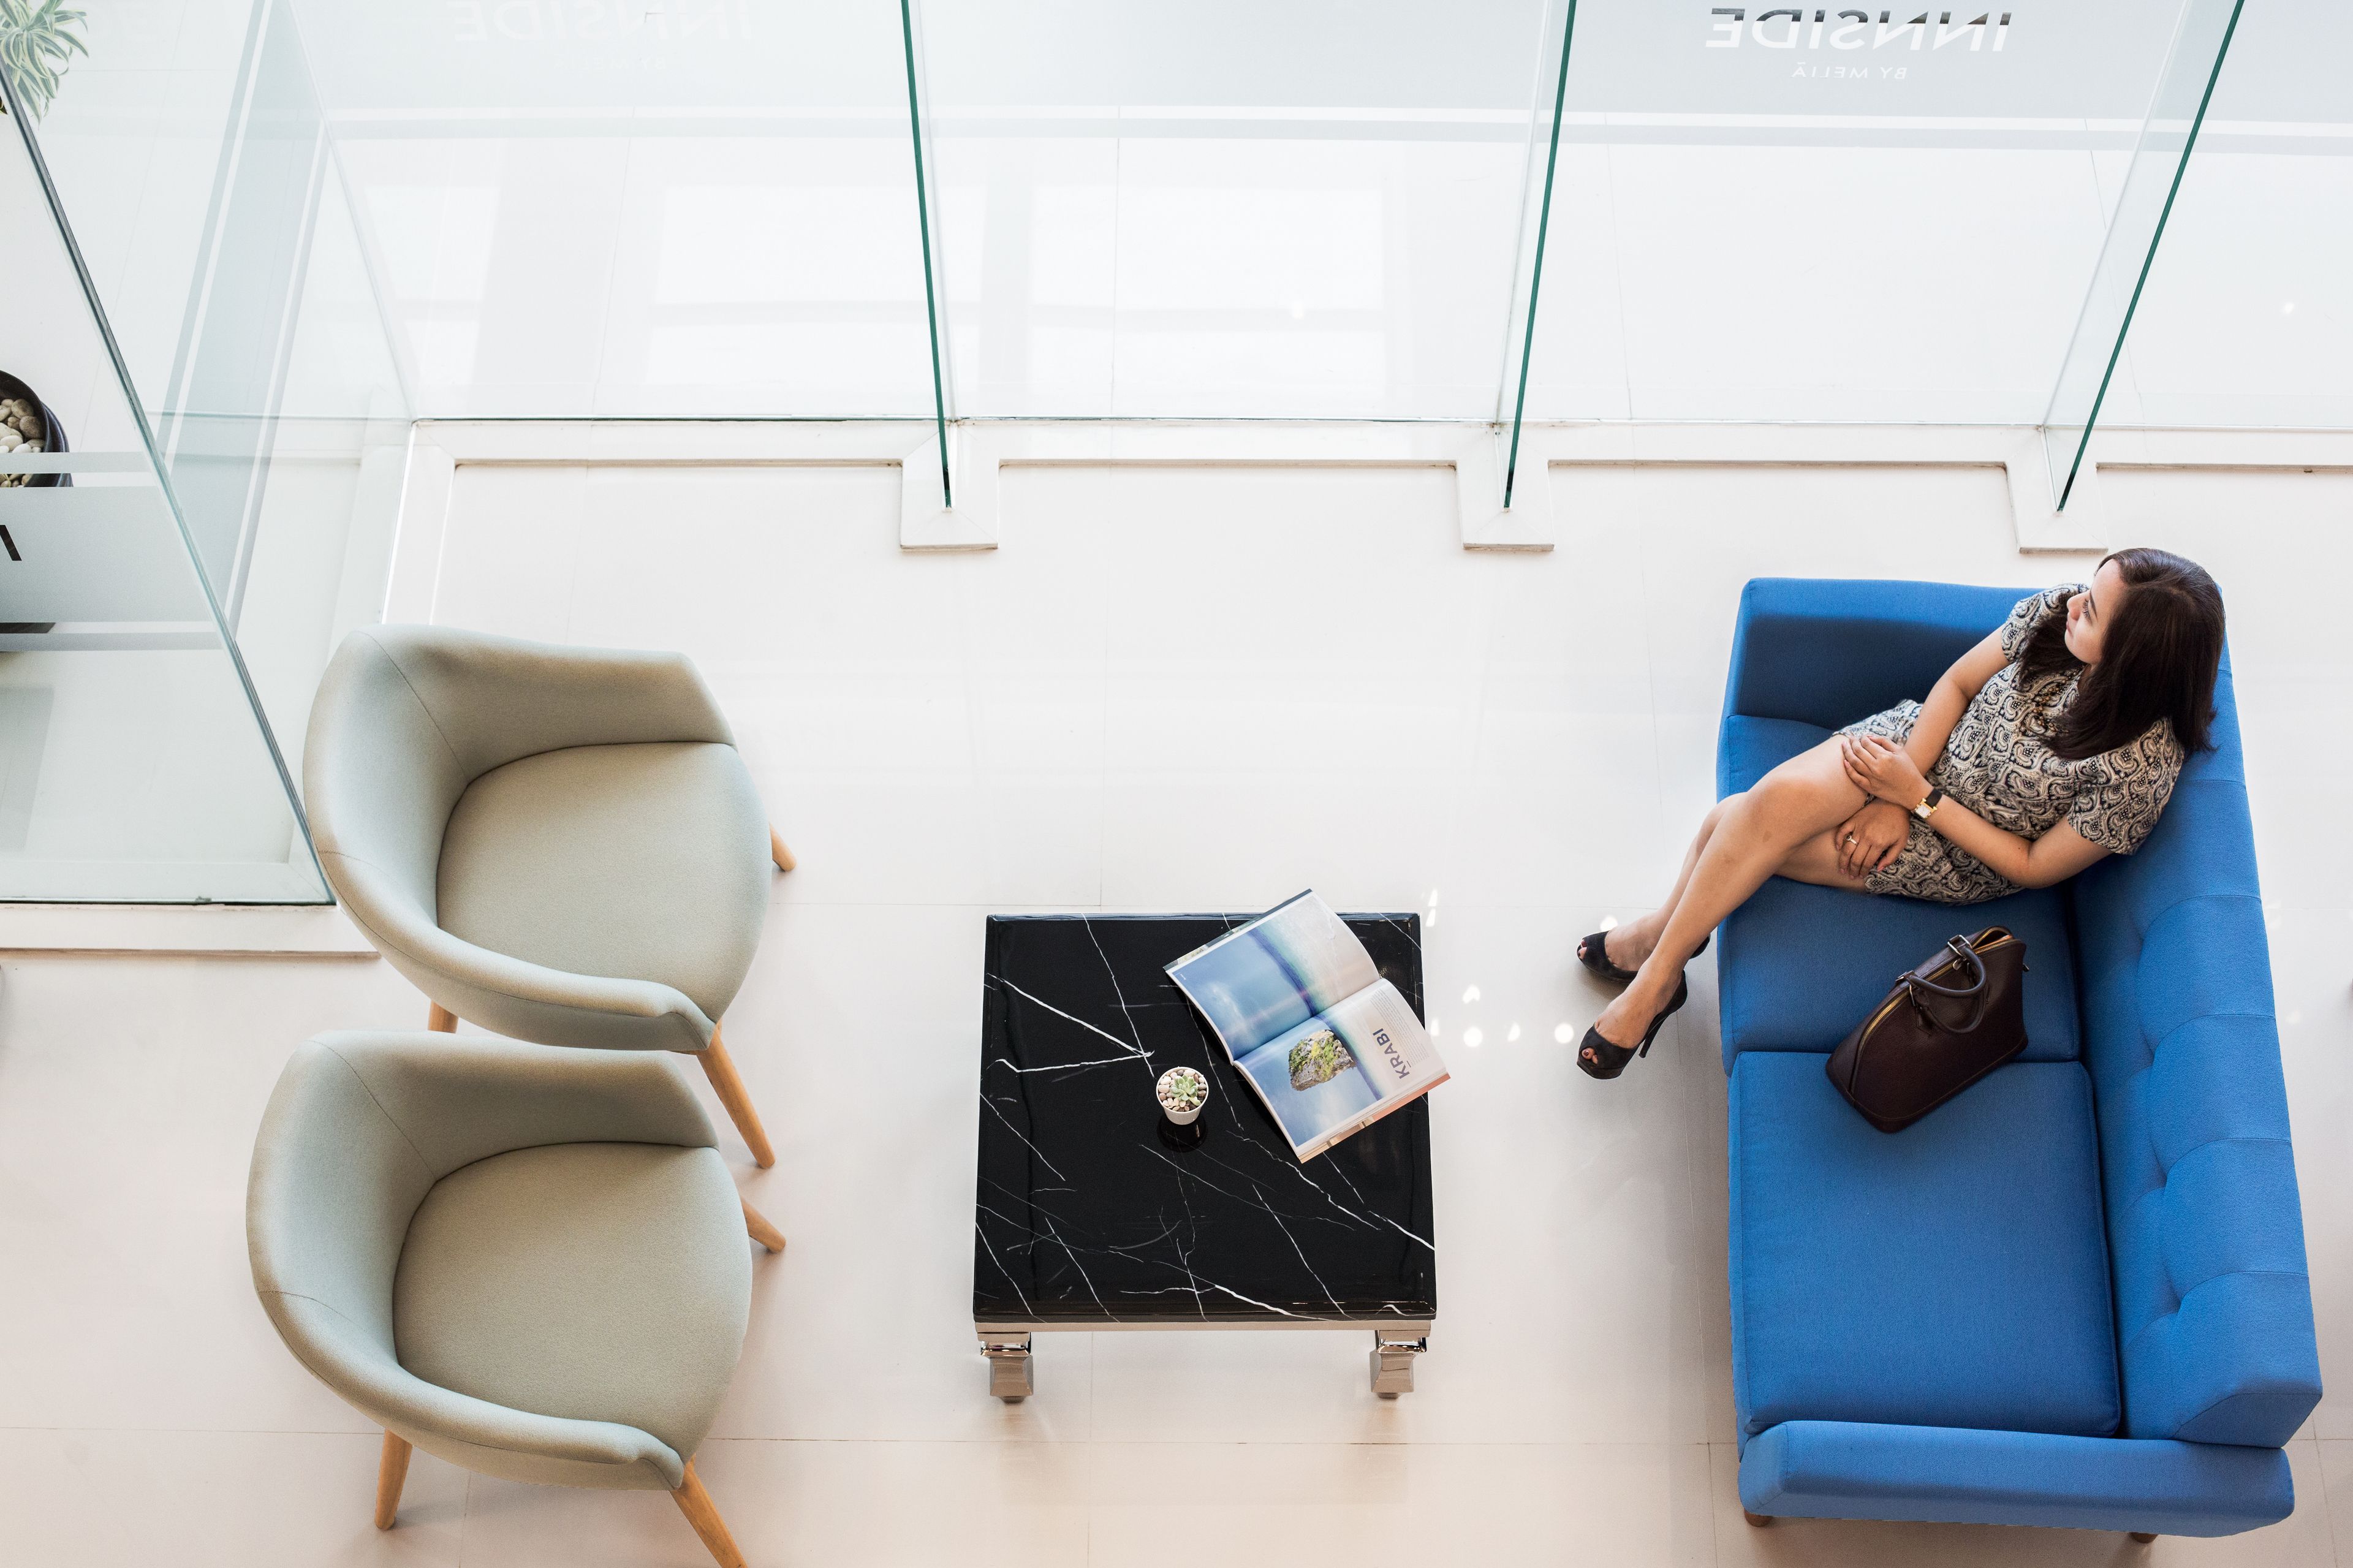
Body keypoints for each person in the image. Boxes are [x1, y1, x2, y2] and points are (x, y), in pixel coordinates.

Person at [1574, 548, 2226, 1080]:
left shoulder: (2137, 771)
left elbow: (2031, 866)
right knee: (1759, 812)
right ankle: (1658, 968)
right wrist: (1895, 790)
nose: (2073, 601)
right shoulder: (2058, 612)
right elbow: (1959, 684)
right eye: (2090, 585)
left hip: (1957, 844)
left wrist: (1917, 801)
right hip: (1913, 746)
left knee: (1730, 823)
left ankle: (1653, 957)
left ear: (2131, 663)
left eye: (2094, 610)